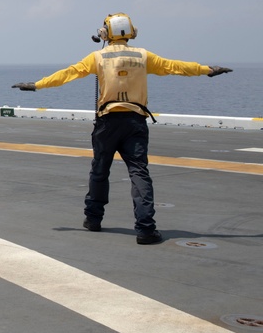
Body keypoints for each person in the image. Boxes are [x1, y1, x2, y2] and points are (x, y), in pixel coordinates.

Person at [12, 13, 232, 245]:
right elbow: (175, 67)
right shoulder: (144, 56)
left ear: (105, 33)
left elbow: (68, 74)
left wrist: (36, 85)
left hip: (107, 122)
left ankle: (93, 219)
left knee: (99, 171)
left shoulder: (97, 57)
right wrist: (208, 69)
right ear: (131, 32)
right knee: (139, 173)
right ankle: (146, 229)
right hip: (135, 121)